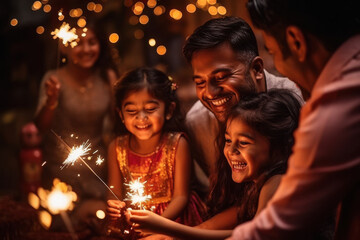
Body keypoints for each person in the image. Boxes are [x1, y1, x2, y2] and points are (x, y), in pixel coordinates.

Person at [229, 0, 360, 239]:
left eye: (273, 52)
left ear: (296, 42)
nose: (278, 67)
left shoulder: (338, 104)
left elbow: (276, 227)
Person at [127, 89, 305, 239]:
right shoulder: (257, 186)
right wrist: (167, 234)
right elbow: (227, 227)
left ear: (280, 147)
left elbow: (249, 236)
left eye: (243, 143)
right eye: (228, 140)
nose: (231, 151)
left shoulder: (277, 183)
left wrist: (166, 228)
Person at [182, 16, 303, 194]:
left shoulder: (299, 103)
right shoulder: (198, 123)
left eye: (221, 77)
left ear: (256, 69)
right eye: (200, 83)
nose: (210, 92)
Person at [34, 19, 119, 230]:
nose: (87, 49)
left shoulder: (107, 77)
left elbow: (119, 122)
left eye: (92, 42)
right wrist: (51, 102)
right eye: (79, 43)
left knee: (102, 223)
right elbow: (40, 128)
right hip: (60, 169)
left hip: (97, 168)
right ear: (64, 45)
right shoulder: (54, 79)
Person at [106, 67, 206, 237]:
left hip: (174, 220)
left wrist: (157, 225)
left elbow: (181, 197)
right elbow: (114, 193)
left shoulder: (177, 144)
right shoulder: (116, 147)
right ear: (121, 114)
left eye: (151, 109)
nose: (141, 117)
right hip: (136, 222)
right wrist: (114, 206)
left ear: (169, 110)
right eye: (131, 111)